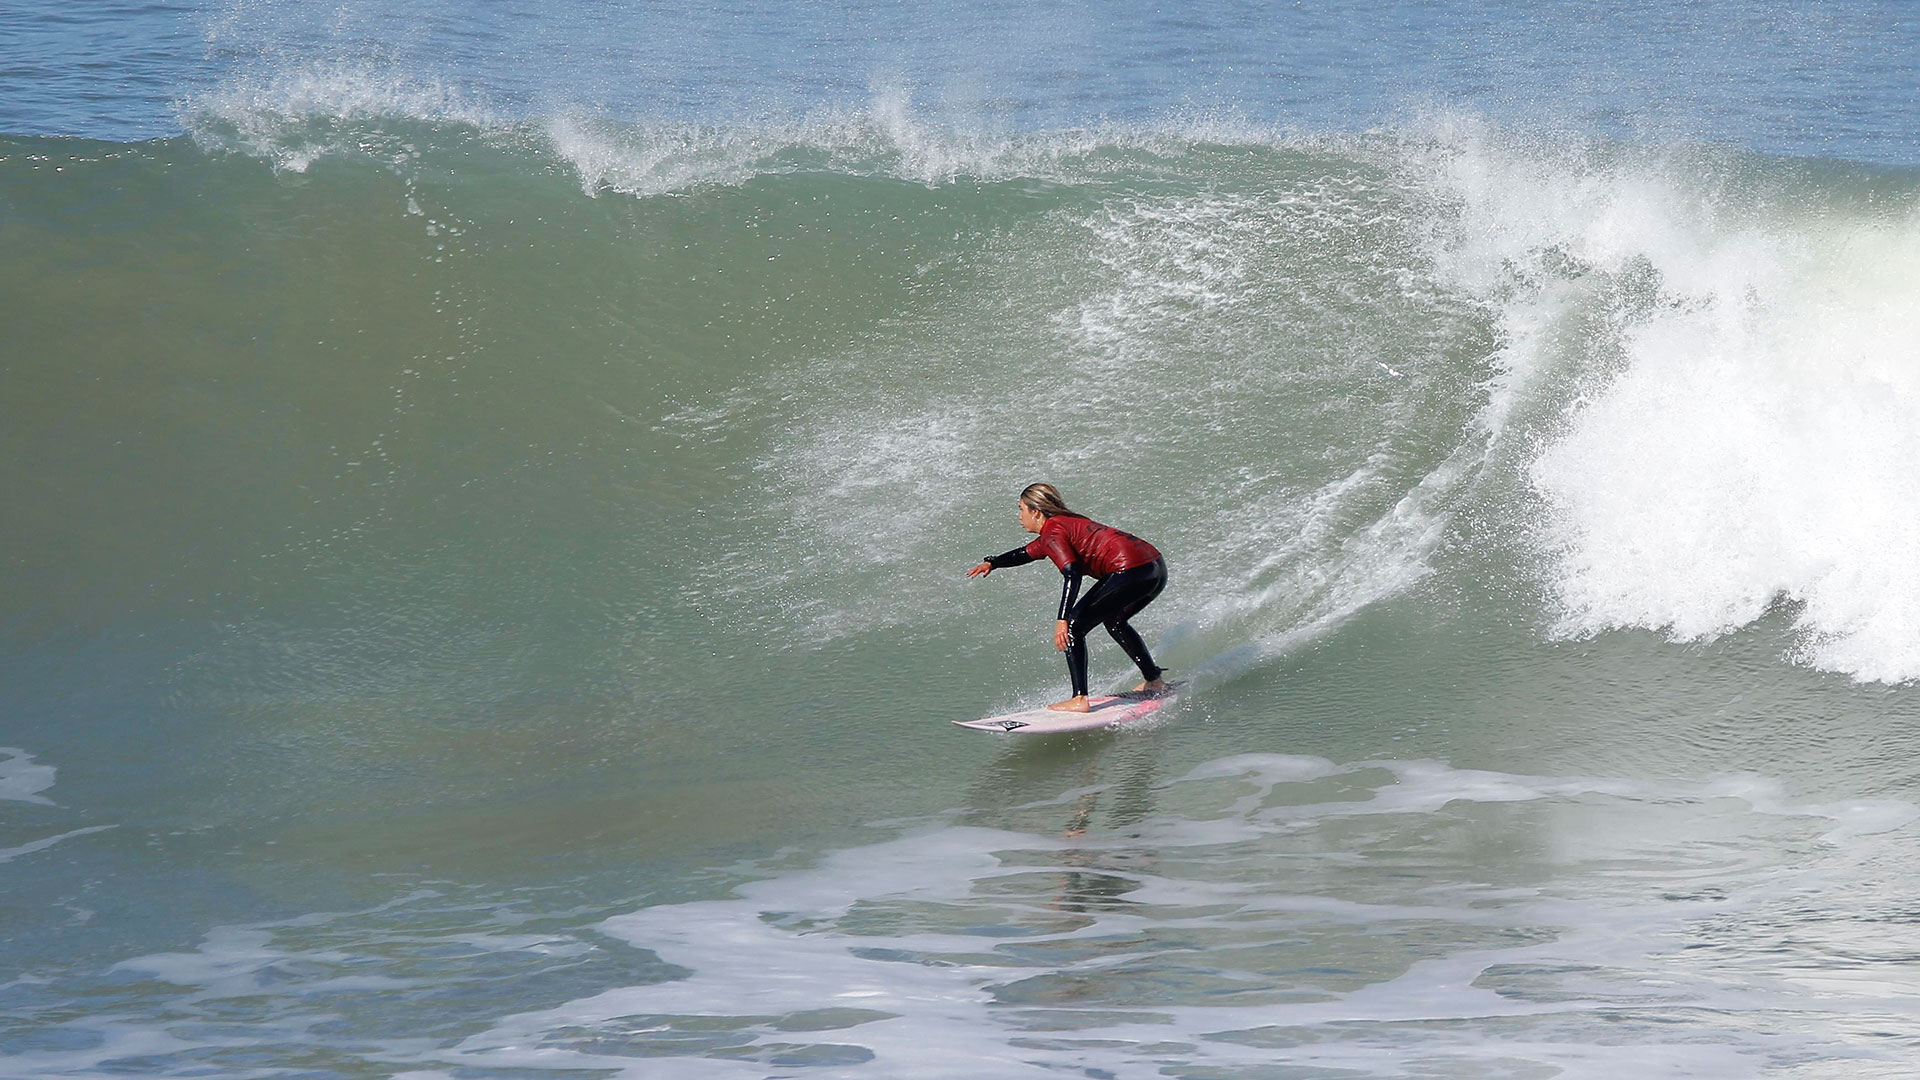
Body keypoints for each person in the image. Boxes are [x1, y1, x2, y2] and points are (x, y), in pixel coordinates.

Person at [967, 483, 1169, 712]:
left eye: (1021, 509)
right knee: (1115, 622)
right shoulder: (1062, 525)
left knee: (1074, 627)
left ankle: (1079, 699)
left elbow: (1072, 573)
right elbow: (1026, 553)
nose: (1019, 516)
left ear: (1036, 512)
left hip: (1129, 570)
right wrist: (993, 562)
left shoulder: (1053, 532)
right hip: (1154, 567)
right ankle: (1155, 680)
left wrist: (1063, 619)